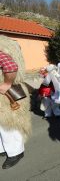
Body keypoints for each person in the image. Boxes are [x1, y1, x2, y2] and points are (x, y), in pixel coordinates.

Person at [0, 36, 31, 169]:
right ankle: (3, 148)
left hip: (4, 93)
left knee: (9, 123)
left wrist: (7, 83)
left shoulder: (2, 46)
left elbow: (11, 66)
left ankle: (16, 152)